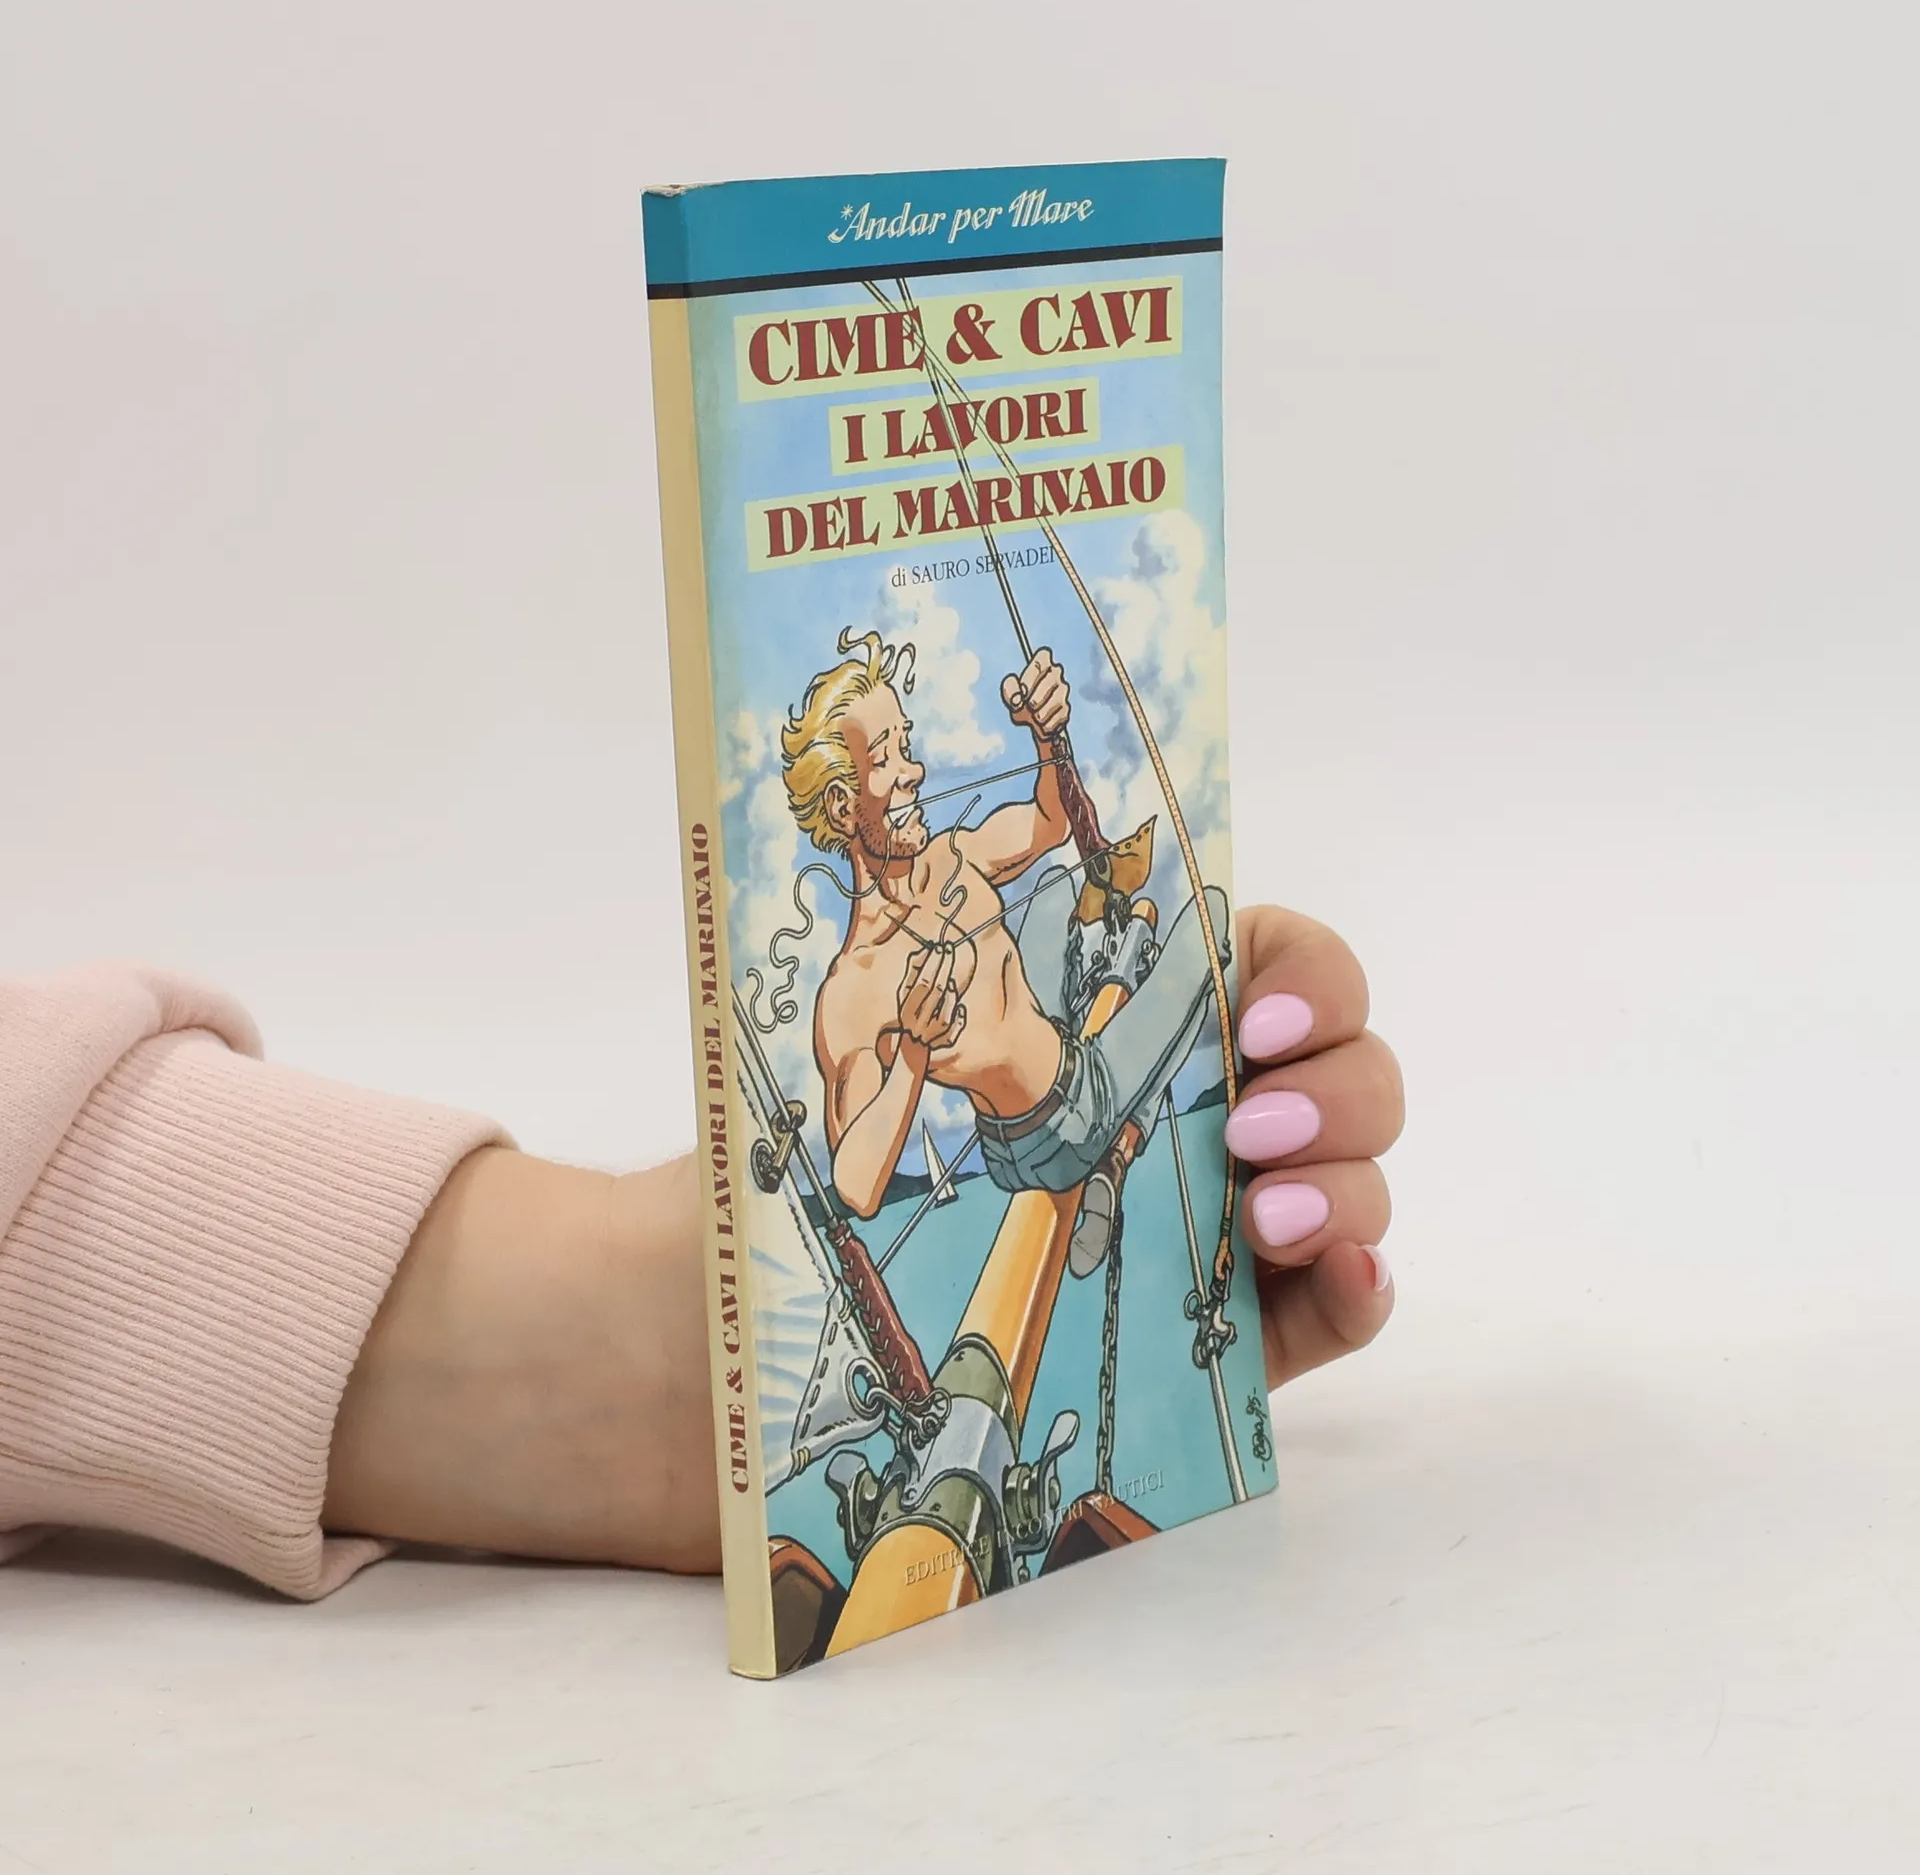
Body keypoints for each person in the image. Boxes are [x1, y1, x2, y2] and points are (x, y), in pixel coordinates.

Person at [0, 907, 1402, 1600]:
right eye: (885, 762)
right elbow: (863, 1167)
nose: (909, 780)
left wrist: (632, 1339)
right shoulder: (864, 987)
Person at [792, 631, 1232, 1282]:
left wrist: (1048, 738)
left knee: (1052, 887)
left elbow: (1048, 825)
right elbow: (856, 1188)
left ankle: (1096, 994)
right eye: (885, 759)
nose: (914, 772)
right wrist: (913, 1049)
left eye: (907, 747)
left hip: (1002, 1150)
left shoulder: (953, 856)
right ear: (841, 804)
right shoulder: (850, 992)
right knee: (1213, 913)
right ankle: (1118, 1149)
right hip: (1073, 1116)